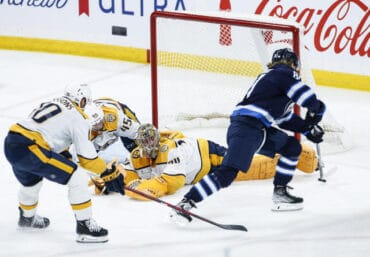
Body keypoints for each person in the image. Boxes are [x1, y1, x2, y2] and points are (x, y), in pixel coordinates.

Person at [170, 48, 326, 223]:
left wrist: (307, 129)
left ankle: (280, 194)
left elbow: (284, 120)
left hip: (257, 130)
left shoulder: (274, 84)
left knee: (291, 147)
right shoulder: (283, 74)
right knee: (227, 174)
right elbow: (308, 98)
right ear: (292, 64)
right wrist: (318, 111)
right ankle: (186, 203)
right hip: (247, 129)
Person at [3, 83, 124, 243]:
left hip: (12, 143)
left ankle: (27, 219)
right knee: (78, 177)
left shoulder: (55, 102)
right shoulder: (78, 117)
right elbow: (87, 159)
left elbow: (54, 138)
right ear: (81, 100)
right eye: (86, 102)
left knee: (31, 182)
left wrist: (66, 158)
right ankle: (85, 227)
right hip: (32, 147)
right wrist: (107, 173)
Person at [90, 123, 281, 200]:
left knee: (249, 167)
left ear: (157, 140)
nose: (147, 146)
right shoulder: (137, 155)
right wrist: (111, 181)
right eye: (143, 143)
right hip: (197, 173)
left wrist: (142, 188)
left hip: (207, 155)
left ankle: (290, 157)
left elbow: (172, 183)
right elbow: (128, 173)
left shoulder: (171, 151)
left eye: (150, 141)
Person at [84, 97, 140, 163]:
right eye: (95, 124)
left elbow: (138, 132)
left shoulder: (117, 118)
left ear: (103, 115)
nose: (99, 126)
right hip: (94, 131)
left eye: (100, 121)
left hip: (119, 113)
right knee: (88, 158)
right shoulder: (82, 131)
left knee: (135, 146)